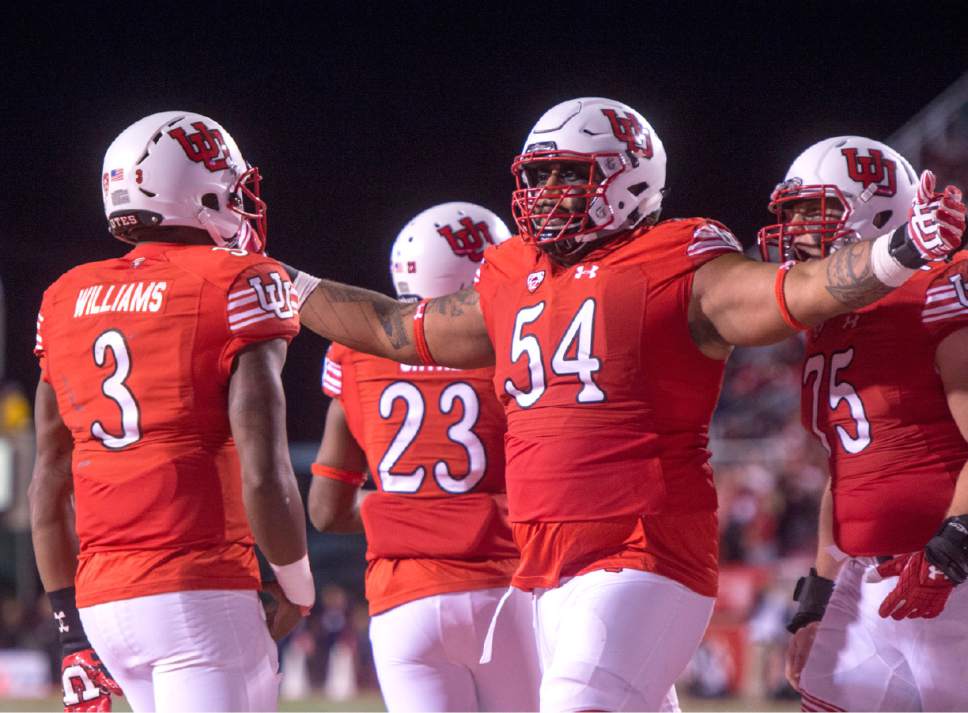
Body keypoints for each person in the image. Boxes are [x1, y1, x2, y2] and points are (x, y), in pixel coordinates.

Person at [290, 97, 966, 711]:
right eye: (539, 175)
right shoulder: (511, 272)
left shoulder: (677, 259)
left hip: (645, 550)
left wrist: (901, 249)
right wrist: (287, 283)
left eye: (568, 175)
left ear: (627, 177)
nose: (545, 194)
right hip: (546, 567)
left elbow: (793, 294)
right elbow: (394, 328)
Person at [29, 111, 314, 712]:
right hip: (200, 590)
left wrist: (69, 632)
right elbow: (265, 472)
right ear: (195, 190)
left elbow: (48, 484)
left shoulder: (62, 297)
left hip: (104, 603)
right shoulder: (237, 280)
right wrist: (297, 586)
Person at [308, 201, 543, 711]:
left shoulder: (355, 352)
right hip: (504, 588)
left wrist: (411, 515)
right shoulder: (515, 344)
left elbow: (326, 510)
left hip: (401, 602)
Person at [765, 137, 968, 712]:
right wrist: (816, 599)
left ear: (876, 211)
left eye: (814, 210)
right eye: (794, 212)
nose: (797, 228)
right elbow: (846, 471)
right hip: (866, 581)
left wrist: (954, 549)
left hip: (948, 578)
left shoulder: (937, 290)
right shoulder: (827, 322)